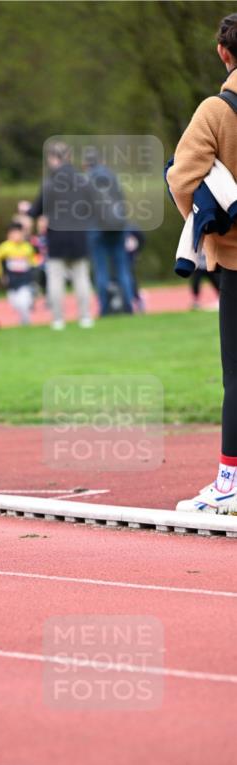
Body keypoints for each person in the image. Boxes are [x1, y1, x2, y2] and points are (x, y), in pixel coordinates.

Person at [167, 12, 237, 514]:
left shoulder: (217, 110)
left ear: (223, 53)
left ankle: (230, 484)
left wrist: (209, 220)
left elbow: (181, 178)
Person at [29, 142, 94, 331]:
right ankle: (85, 317)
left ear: (53, 158)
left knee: (55, 278)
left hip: (56, 235)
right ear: (69, 157)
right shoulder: (83, 181)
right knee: (81, 276)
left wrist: (32, 214)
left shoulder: (49, 183)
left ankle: (58, 319)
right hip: (79, 234)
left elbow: (36, 209)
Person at [83, 146, 134, 316]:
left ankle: (105, 309)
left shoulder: (86, 179)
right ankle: (128, 306)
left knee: (101, 270)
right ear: (100, 161)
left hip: (97, 229)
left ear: (85, 163)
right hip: (117, 227)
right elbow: (121, 201)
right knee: (122, 268)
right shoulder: (112, 176)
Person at [0, 222, 37, 326]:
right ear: (9, 235)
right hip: (11, 280)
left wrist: (35, 270)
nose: (16, 236)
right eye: (13, 233)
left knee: (24, 302)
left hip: (25, 279)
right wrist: (0, 274)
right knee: (15, 303)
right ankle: (23, 319)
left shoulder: (27, 247)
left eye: (19, 233)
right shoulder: (5, 247)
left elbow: (33, 261)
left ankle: (26, 322)